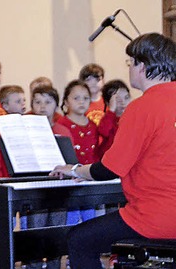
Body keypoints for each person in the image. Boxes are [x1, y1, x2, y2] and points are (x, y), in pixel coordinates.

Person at [51, 33, 176, 269]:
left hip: (155, 217)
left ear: (143, 65)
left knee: (79, 240)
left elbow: (109, 169)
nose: (129, 69)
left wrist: (74, 170)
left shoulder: (141, 107)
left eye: (130, 63)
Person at [24, 85, 71, 269]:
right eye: (37, 102)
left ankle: (53, 265)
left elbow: (69, 161)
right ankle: (33, 265)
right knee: (35, 230)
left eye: (48, 102)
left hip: (59, 189)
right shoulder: (27, 130)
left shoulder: (63, 130)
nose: (42, 106)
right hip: (36, 187)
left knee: (56, 232)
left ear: (56, 105)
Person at [56, 80, 98, 226]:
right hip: (69, 182)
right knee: (71, 222)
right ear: (66, 102)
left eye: (85, 98)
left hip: (89, 179)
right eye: (76, 98)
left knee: (91, 221)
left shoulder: (93, 125)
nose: (81, 102)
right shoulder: (61, 125)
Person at [96, 80, 131, 157]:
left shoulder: (134, 117)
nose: (123, 102)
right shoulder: (109, 118)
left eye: (126, 97)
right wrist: (111, 110)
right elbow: (103, 131)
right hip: (108, 158)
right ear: (108, 103)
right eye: (118, 100)